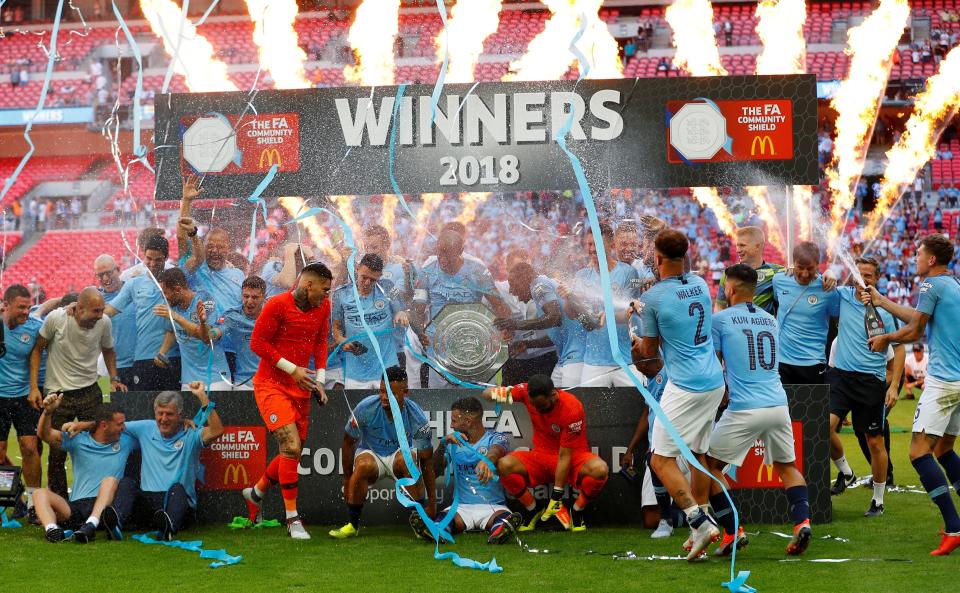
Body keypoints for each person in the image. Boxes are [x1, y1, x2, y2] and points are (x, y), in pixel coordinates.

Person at [705, 264, 813, 557]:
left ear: (731, 288)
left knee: (708, 468)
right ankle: (802, 522)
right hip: (778, 404)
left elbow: (714, 366)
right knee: (787, 467)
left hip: (744, 407)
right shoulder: (770, 320)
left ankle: (732, 531)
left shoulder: (720, 320)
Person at [632, 228, 725, 560]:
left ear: (656, 259)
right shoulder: (700, 283)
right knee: (696, 455)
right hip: (714, 382)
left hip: (685, 386)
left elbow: (649, 353)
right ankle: (702, 524)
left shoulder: (654, 298)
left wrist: (636, 326)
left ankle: (698, 521)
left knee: (660, 459)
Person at [866, 234, 960, 555]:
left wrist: (886, 338)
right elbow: (919, 319)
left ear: (931, 259)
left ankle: (954, 527)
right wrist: (881, 301)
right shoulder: (951, 285)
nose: (915, 258)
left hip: (943, 380)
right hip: (958, 380)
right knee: (945, 449)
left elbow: (916, 331)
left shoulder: (930, 286)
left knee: (919, 453)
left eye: (919, 253)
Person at [242, 262, 332, 540]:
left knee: (291, 451)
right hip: (271, 385)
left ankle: (255, 492)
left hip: (302, 386)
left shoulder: (323, 308)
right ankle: (292, 519)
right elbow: (257, 343)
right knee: (291, 446)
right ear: (308, 285)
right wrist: (292, 369)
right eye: (324, 290)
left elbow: (320, 342)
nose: (327, 296)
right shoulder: (277, 305)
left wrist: (320, 378)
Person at [30, 287, 127, 500]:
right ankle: (60, 503)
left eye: (102, 310)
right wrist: (34, 387)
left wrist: (114, 378)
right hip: (58, 394)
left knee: (97, 443)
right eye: (95, 311)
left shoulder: (104, 323)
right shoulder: (57, 319)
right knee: (57, 452)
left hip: (90, 390)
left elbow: (109, 350)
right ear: (79, 308)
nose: (100, 315)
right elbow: (37, 349)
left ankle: (93, 496)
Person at [827, 257, 903, 520]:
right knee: (822, 428)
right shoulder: (844, 297)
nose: (863, 279)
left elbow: (900, 348)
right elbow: (821, 286)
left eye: (869, 275)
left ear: (877, 278)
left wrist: (893, 386)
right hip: (842, 378)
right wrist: (827, 273)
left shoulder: (884, 309)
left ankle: (878, 500)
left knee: (874, 441)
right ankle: (846, 472)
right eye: (860, 274)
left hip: (871, 381)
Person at [483, 374, 609, 533]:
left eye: (541, 406)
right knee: (503, 465)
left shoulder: (572, 407)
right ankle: (532, 510)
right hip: (541, 456)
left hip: (573, 457)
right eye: (533, 405)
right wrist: (500, 394)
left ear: (554, 395)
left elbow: (565, 456)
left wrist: (556, 496)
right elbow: (486, 394)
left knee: (600, 469)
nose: (537, 410)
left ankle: (577, 511)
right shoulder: (524, 392)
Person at [329, 366, 436, 538]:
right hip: (371, 453)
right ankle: (352, 525)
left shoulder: (417, 416)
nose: (384, 397)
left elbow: (427, 461)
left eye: (391, 393)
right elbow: (348, 442)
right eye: (382, 391)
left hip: (398, 456)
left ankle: (421, 522)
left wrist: (432, 504)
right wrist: (347, 476)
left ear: (405, 392)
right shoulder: (366, 408)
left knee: (408, 459)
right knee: (363, 465)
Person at [115, 384, 223, 540]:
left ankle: (169, 526)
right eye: (160, 414)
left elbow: (217, 430)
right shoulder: (145, 427)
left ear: (180, 415)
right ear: (155, 413)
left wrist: (202, 397)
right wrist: (83, 425)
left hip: (178, 502)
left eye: (170, 414)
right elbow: (113, 425)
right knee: (126, 483)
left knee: (177, 489)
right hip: (150, 503)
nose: (163, 419)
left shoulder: (191, 433)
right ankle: (115, 523)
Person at [409, 227, 510, 388]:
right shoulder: (428, 271)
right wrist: (419, 331)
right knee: (440, 401)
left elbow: (500, 305)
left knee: (474, 398)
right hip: (439, 349)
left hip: (471, 346)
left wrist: (505, 328)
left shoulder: (476, 270)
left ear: (460, 251)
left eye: (448, 254)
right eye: (439, 252)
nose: (442, 259)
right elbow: (417, 310)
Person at [410, 396, 517, 544]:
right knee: (445, 519)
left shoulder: (496, 438)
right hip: (461, 508)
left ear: (467, 421)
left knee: (502, 518)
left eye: (454, 421)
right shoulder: (453, 443)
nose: (452, 426)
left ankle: (500, 531)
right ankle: (436, 531)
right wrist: (442, 444)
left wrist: (486, 461)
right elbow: (433, 472)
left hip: (493, 507)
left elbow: (497, 451)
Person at [34, 396, 131, 543]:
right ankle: (52, 530)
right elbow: (44, 434)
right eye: (120, 424)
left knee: (110, 480)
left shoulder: (126, 440)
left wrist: (84, 424)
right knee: (39, 493)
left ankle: (91, 524)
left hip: (105, 506)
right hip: (77, 507)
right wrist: (47, 413)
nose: (124, 427)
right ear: (104, 425)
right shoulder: (78, 440)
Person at [178, 177, 244, 379]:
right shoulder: (196, 269)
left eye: (220, 246)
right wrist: (186, 202)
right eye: (210, 246)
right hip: (204, 348)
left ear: (228, 248)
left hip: (233, 348)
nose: (215, 251)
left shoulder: (238, 274)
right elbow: (182, 238)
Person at [565, 222, 644, 387]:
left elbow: (631, 313)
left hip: (625, 360)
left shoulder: (628, 273)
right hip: (593, 361)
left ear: (612, 245)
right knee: (591, 411)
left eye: (598, 244)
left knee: (635, 407)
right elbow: (571, 314)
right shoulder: (582, 276)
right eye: (590, 244)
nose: (593, 249)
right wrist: (568, 297)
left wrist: (608, 317)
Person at [106, 234, 181, 390]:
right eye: (148, 258)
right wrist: (80, 308)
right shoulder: (134, 283)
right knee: (144, 409)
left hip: (171, 357)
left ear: (166, 257)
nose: (152, 264)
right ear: (143, 255)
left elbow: (178, 320)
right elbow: (109, 310)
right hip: (143, 358)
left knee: (172, 409)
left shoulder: (176, 282)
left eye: (158, 260)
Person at [332, 254, 408, 390]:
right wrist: (343, 341)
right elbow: (336, 329)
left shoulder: (388, 288)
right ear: (357, 269)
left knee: (390, 410)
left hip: (387, 369)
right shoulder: (341, 294)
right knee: (360, 411)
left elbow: (401, 311)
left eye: (373, 280)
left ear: (380, 276)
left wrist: (401, 313)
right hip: (355, 373)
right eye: (364, 277)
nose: (367, 283)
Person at [0, 284, 44, 519]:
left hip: (23, 396)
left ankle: (34, 503)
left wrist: (35, 387)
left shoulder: (34, 328)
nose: (26, 312)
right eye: (21, 307)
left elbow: (36, 354)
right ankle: (16, 497)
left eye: (28, 307)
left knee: (29, 447)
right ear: (6, 305)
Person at [494, 262, 575, 385]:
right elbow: (557, 335)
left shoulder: (539, 286)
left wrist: (515, 324)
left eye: (513, 285)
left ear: (524, 280)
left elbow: (554, 318)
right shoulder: (541, 289)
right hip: (566, 355)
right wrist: (528, 344)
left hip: (575, 356)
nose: (511, 291)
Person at [772, 242, 840, 385]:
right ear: (793, 264)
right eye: (800, 268)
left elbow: (839, 318)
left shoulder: (827, 289)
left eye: (810, 269)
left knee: (810, 407)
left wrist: (830, 273)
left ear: (818, 265)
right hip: (782, 361)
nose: (804, 273)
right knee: (784, 407)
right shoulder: (779, 280)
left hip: (813, 362)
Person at [153, 268, 231, 391]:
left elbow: (205, 337)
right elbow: (172, 330)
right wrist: (162, 352)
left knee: (215, 411)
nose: (164, 297)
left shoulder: (204, 300)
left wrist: (177, 317)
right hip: (188, 381)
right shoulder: (172, 306)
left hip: (215, 378)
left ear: (178, 290)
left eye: (165, 293)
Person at [716, 226, 787, 314]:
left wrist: (792, 272)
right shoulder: (729, 273)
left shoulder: (778, 272)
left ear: (757, 246)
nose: (738, 250)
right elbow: (719, 305)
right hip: (737, 326)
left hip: (764, 326)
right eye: (737, 245)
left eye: (742, 245)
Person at [94, 255, 137, 386]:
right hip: (106, 369)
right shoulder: (95, 300)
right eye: (100, 275)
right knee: (108, 404)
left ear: (118, 270)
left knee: (138, 405)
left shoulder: (134, 289)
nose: (105, 278)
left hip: (137, 364)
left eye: (108, 272)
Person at [218, 276, 267, 390]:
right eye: (246, 296)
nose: (249, 301)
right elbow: (214, 334)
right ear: (241, 295)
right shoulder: (233, 316)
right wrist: (204, 325)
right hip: (243, 383)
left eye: (255, 297)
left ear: (263, 297)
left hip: (270, 382)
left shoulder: (273, 315)